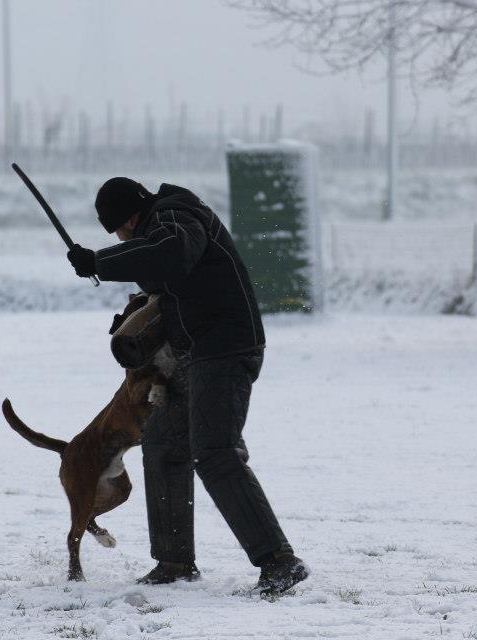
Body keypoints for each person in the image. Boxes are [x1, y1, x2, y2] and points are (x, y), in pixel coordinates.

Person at [66, 177, 309, 596]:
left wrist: (101, 262)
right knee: (162, 443)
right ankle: (174, 562)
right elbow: (165, 273)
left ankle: (279, 561)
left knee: (215, 451)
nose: (122, 238)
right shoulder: (163, 224)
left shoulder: (176, 217)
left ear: (129, 218)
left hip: (227, 348)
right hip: (196, 353)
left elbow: (170, 255)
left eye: (119, 231)